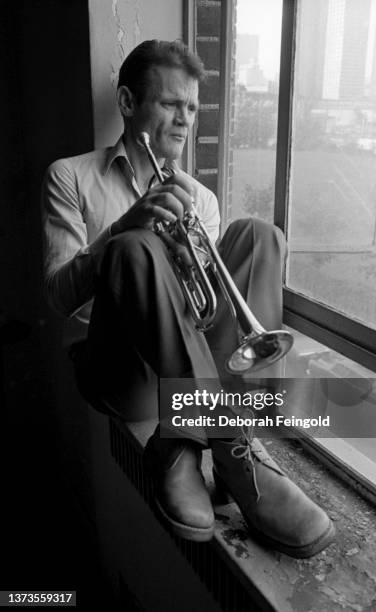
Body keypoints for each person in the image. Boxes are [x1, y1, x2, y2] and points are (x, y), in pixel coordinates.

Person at [42, 39, 335, 557]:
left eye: (193, 108)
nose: (185, 119)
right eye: (171, 104)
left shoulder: (200, 198)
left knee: (259, 236)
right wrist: (125, 231)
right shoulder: (70, 175)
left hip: (178, 367)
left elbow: (201, 312)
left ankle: (199, 441)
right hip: (119, 369)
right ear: (130, 103)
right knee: (134, 247)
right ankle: (234, 453)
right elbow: (57, 296)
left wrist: (186, 260)